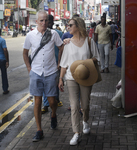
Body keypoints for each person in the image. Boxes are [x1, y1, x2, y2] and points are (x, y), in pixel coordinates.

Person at [23, 10, 63, 142]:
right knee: (37, 102)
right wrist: (29, 68)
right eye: (41, 20)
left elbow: (61, 47)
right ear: (36, 22)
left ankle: (53, 114)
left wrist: (59, 63)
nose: (44, 23)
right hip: (36, 73)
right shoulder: (30, 35)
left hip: (51, 72)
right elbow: (25, 52)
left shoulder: (54, 34)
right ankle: (39, 130)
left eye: (46, 20)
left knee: (52, 101)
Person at [58, 17, 100, 145]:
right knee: (75, 106)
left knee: (85, 105)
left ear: (78, 26)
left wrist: (84, 63)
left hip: (86, 76)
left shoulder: (89, 41)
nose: (68, 27)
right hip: (71, 78)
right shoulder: (68, 44)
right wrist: (60, 79)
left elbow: (96, 57)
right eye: (67, 25)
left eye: (70, 25)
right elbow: (64, 64)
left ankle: (85, 121)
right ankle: (76, 133)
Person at [41, 15, 63, 114]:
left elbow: (62, 49)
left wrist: (60, 63)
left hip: (56, 64)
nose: (46, 24)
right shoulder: (40, 34)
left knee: (56, 84)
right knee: (45, 85)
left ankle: (56, 100)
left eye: (48, 22)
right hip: (45, 65)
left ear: (52, 22)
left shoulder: (58, 33)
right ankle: (46, 104)